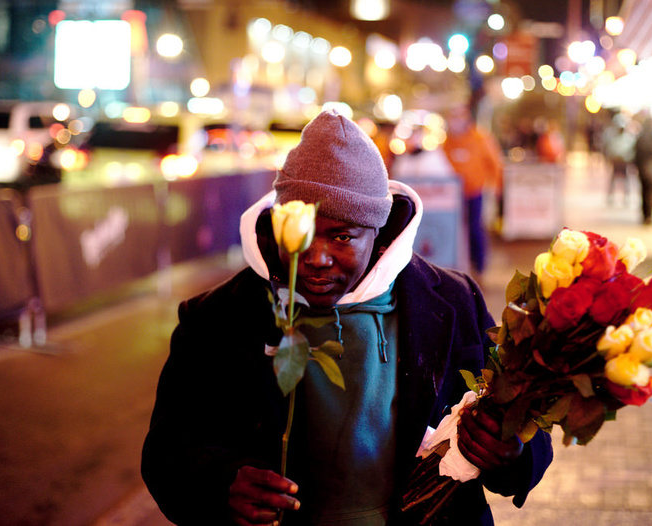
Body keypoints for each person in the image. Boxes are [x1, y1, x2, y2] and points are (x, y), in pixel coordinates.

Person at [141, 109, 552, 525]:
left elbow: (528, 430)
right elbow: (167, 454)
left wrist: (511, 453)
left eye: (342, 236)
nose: (317, 258)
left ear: (378, 232)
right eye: (301, 235)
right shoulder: (218, 318)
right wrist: (220, 485)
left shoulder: (452, 301)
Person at [441, 104, 504, 278]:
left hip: (476, 191)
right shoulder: (447, 141)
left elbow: (495, 163)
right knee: (457, 230)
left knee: (475, 228)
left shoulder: (480, 138)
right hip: (453, 195)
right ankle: (462, 264)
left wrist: (496, 187)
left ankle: (480, 265)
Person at [602, 117, 635, 206]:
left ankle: (626, 199)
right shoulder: (613, 138)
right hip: (616, 162)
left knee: (625, 182)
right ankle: (610, 198)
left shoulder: (627, 138)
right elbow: (610, 150)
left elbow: (630, 151)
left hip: (623, 163)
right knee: (613, 181)